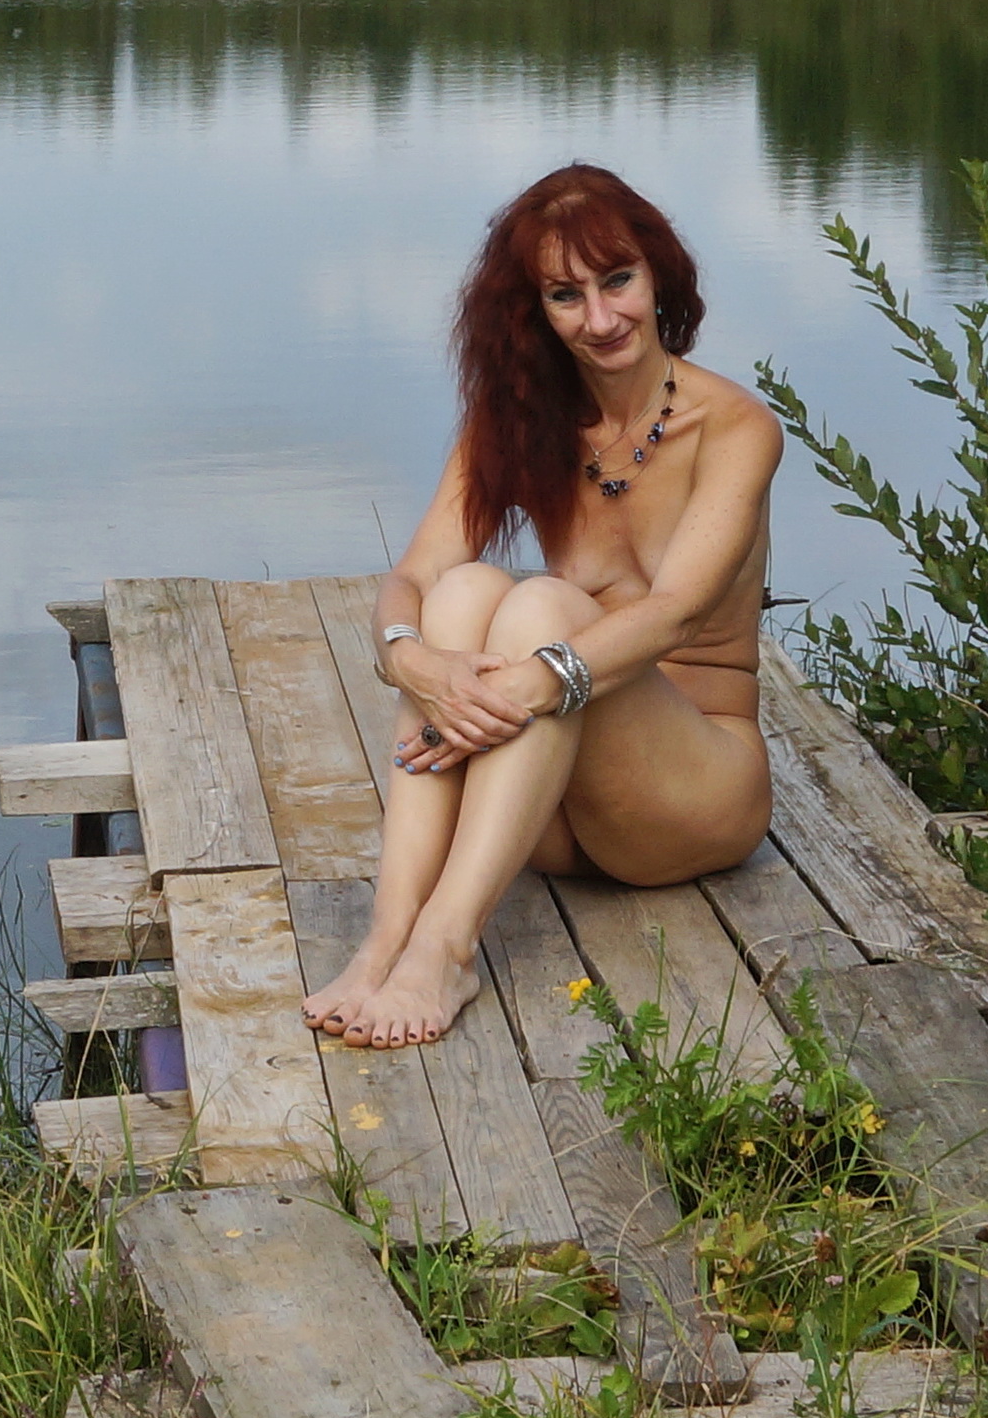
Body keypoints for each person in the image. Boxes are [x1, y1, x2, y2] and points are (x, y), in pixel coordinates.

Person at [303, 163, 779, 1049]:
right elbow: (410, 579)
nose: (600, 318)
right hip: (553, 814)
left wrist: (522, 685)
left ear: (658, 275)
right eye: (566, 295)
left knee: (542, 610)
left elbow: (676, 612)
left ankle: (444, 949)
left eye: (617, 280)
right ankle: (388, 938)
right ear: (535, 312)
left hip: (692, 790)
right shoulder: (523, 420)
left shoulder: (733, 425)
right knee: (461, 592)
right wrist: (413, 661)